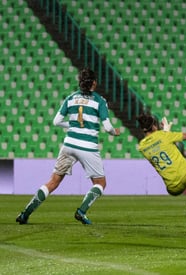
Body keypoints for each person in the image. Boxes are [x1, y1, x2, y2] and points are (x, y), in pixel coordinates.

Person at [16, 67, 120, 225]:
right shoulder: (99, 100)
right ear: (94, 83)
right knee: (100, 184)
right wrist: (114, 132)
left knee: (53, 182)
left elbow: (56, 121)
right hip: (88, 147)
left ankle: (25, 214)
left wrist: (71, 126)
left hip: (69, 144)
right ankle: (81, 211)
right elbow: (107, 127)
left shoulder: (70, 98)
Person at [137, 112, 186, 219]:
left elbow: (159, 146)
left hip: (173, 186)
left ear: (143, 129)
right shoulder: (164, 135)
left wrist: (165, 132)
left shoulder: (141, 147)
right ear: (154, 126)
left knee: (173, 190)